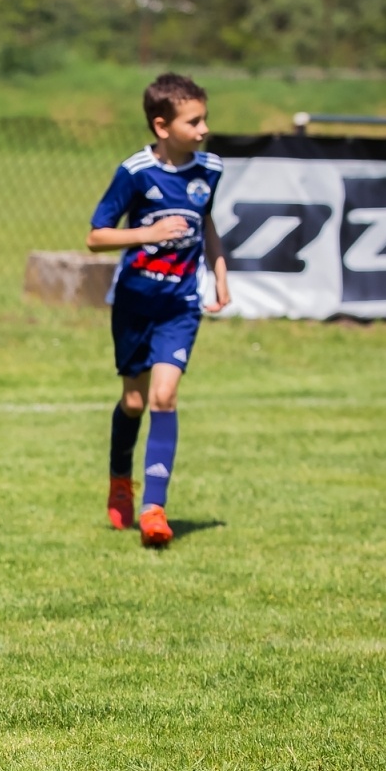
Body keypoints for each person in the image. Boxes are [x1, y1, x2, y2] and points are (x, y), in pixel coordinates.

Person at [86, 73, 231, 546]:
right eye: (195, 121)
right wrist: (147, 233)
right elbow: (96, 237)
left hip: (181, 304)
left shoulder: (209, 169)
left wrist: (221, 274)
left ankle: (155, 509)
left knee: (163, 397)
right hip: (134, 301)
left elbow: (207, 224)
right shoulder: (135, 173)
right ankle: (119, 481)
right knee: (133, 401)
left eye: (205, 117)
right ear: (162, 126)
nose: (205, 128)